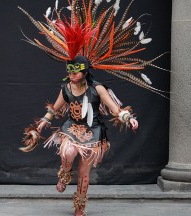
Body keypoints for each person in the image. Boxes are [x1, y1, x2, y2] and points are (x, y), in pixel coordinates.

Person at [18, 0, 167, 215]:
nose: (71, 74)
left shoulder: (97, 89)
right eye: (69, 71)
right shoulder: (66, 88)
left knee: (84, 170)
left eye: (75, 71)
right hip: (72, 127)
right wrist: (43, 121)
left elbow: (116, 109)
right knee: (67, 152)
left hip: (93, 132)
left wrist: (127, 118)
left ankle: (80, 207)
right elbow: (55, 109)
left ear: (84, 72)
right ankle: (64, 173)